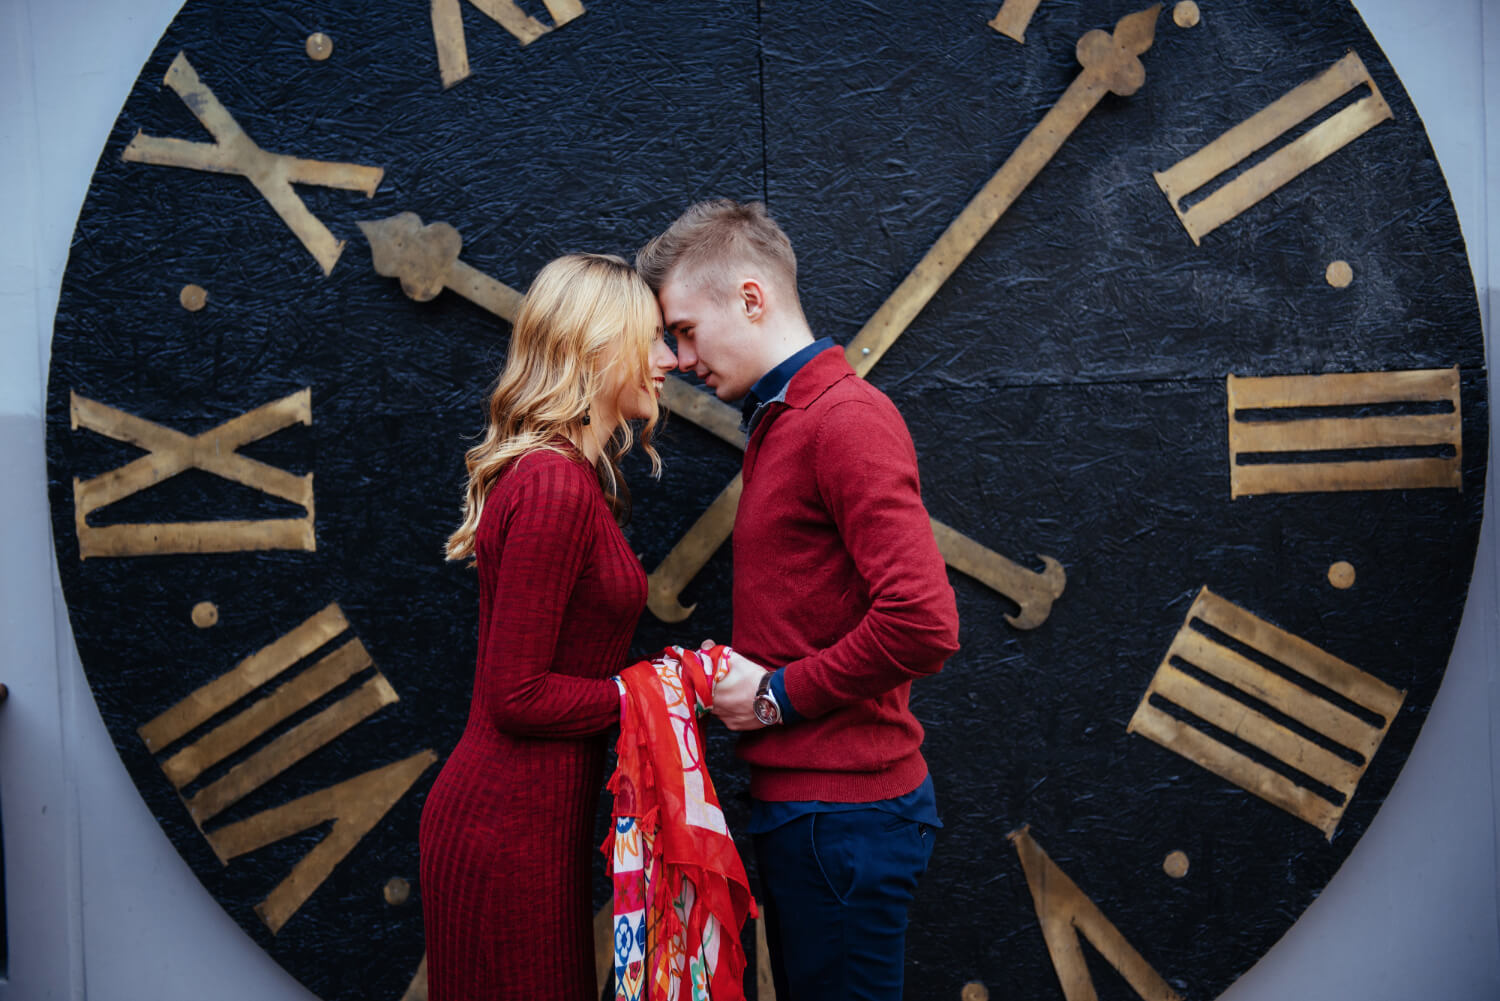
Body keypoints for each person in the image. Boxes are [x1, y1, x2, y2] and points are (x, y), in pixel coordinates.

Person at [636, 200, 961, 1000]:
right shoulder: (785, 422)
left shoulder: (843, 419)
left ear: (751, 298)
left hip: (843, 817)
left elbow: (924, 622)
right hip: (816, 813)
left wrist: (777, 695)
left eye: (683, 329)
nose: (678, 358)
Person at [419, 253, 678, 1001]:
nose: (668, 360)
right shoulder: (554, 485)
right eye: (652, 338)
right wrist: (660, 692)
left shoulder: (563, 477)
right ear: (599, 346)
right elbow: (518, 694)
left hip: (533, 826)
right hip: (505, 831)